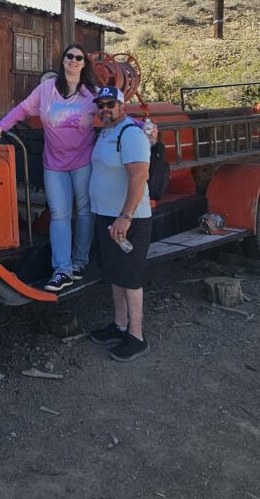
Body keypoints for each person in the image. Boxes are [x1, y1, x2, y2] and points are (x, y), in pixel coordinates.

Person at [0, 43, 97, 292]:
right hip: (55, 163)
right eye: (69, 56)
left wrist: (140, 128)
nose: (73, 60)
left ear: (84, 64)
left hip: (83, 161)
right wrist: (2, 125)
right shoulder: (47, 88)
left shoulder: (92, 93)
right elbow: (23, 109)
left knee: (83, 211)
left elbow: (116, 110)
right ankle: (63, 270)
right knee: (59, 214)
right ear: (62, 61)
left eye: (78, 58)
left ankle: (80, 263)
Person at [87, 85, 152, 361]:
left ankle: (136, 336)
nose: (105, 108)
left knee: (131, 277)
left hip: (129, 220)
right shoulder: (105, 132)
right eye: (101, 104)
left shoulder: (131, 133)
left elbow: (139, 177)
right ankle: (119, 325)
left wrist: (125, 216)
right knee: (115, 274)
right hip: (106, 217)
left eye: (110, 104)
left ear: (122, 107)